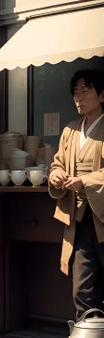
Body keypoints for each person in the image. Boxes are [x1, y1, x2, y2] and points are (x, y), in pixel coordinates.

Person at [49, 69, 104, 320]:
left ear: (102, 95)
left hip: (101, 215)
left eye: (85, 91)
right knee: (83, 287)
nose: (79, 98)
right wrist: (56, 175)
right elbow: (57, 163)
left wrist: (86, 180)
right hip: (80, 218)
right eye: (75, 93)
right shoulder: (70, 130)